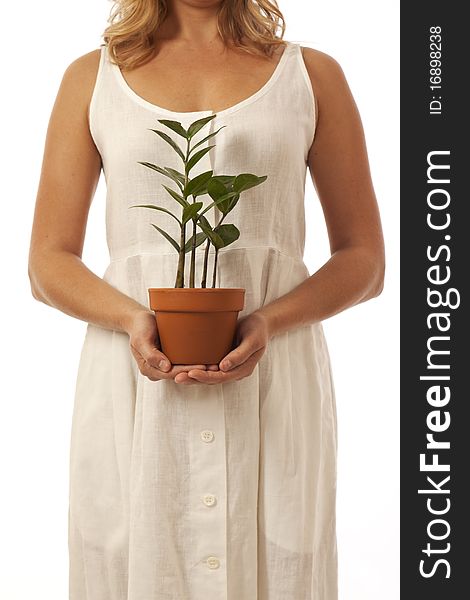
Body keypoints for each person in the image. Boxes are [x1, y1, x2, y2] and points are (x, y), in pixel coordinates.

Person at [28, 0, 385, 598]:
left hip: (276, 379)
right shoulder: (92, 78)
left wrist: (269, 320)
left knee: (277, 565)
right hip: (132, 388)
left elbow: (364, 260)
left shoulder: (311, 76)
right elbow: (47, 261)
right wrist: (133, 318)